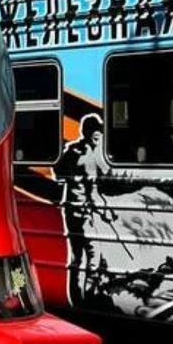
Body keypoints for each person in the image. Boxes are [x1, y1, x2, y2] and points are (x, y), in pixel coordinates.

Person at [58, 114, 110, 307]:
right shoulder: (88, 156)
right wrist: (105, 212)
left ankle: (75, 297)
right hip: (83, 212)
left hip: (70, 210)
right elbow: (93, 191)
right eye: (96, 131)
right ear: (88, 132)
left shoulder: (72, 150)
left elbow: (57, 172)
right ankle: (88, 297)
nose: (99, 134)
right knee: (94, 254)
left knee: (77, 256)